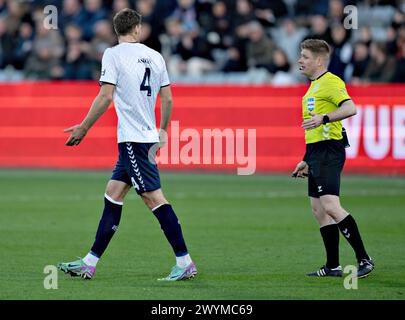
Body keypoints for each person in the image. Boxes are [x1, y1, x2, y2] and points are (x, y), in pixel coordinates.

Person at [57, 8, 197, 281]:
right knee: (113, 193)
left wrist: (84, 127)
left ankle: (185, 261)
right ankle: (89, 261)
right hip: (144, 137)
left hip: (134, 140)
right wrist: (164, 131)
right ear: (137, 29)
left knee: (153, 198)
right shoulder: (155, 56)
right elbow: (167, 100)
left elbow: (106, 95)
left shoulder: (112, 54)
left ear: (116, 30)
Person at [292, 39, 374, 278]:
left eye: (305, 56)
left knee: (330, 206)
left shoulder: (331, 82)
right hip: (316, 152)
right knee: (318, 209)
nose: (300, 60)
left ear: (319, 60)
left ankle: (364, 259)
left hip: (330, 151)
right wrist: (306, 158)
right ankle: (333, 266)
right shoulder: (313, 86)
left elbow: (351, 108)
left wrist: (325, 118)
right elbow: (313, 129)